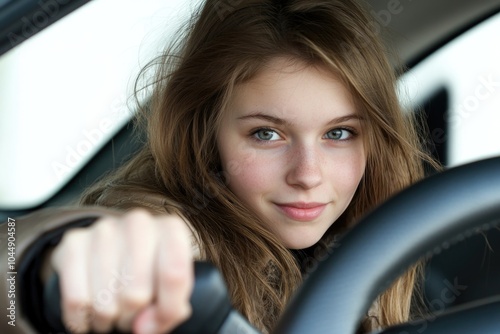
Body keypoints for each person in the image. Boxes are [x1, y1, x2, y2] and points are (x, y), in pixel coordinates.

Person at [0, 0, 439, 333]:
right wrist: (52, 255)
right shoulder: (178, 232)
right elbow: (14, 256)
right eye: (267, 134)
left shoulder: (370, 245)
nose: (308, 174)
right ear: (207, 131)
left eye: (339, 134)